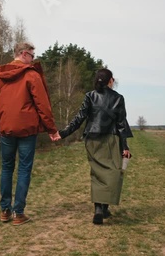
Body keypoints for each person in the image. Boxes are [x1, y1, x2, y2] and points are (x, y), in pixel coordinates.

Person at [0, 42, 60, 226]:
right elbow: (43, 105)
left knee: (6, 167)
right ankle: (18, 213)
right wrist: (51, 129)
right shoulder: (31, 75)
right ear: (24, 54)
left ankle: (5, 211)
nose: (33, 60)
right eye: (33, 56)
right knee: (24, 169)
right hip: (27, 129)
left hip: (6, 129)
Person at [57, 68, 133, 225]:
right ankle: (103, 208)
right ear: (110, 81)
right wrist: (125, 146)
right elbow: (121, 124)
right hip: (111, 139)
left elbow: (79, 118)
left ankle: (100, 209)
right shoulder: (118, 98)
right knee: (112, 173)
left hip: (92, 139)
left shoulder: (90, 96)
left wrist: (64, 133)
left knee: (98, 173)